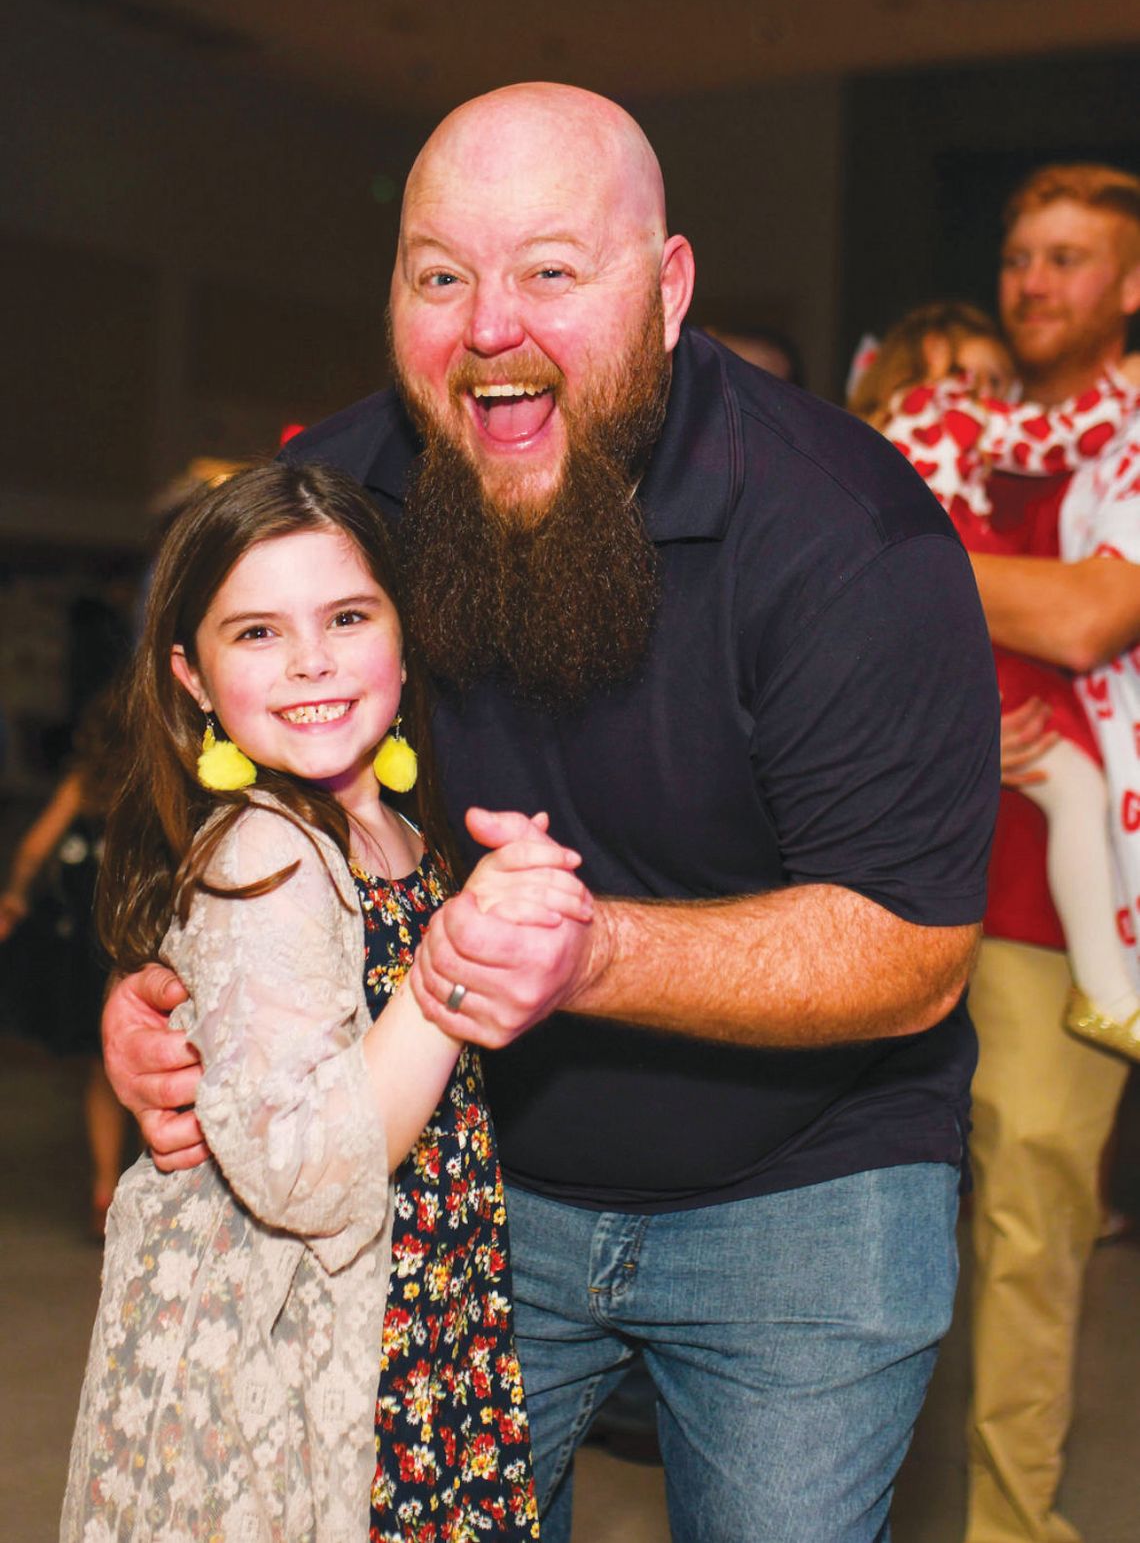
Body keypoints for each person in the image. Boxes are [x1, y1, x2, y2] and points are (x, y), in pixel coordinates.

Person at [103, 83, 1000, 1543]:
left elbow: (909, 948)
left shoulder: (849, 536)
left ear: (669, 286)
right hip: (461, 1171)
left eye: (550, 271)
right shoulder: (335, 502)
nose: (487, 325)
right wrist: (168, 989)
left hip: (808, 1189)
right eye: (440, 273)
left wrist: (584, 955)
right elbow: (212, 754)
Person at [63, 461, 594, 1541]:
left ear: (403, 634)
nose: (312, 660)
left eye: (347, 615)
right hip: (324, 1359)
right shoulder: (267, 852)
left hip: (420, 1336)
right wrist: (463, 957)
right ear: (191, 679)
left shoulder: (392, 831)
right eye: (255, 632)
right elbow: (305, 1170)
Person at [961, 163, 1140, 1543]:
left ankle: (1013, 1529)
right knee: (870, 1233)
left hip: (1055, 905)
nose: (1036, 280)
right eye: (1023, 254)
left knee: (1027, 1238)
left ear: (1129, 285)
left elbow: (1088, 617)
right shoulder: (952, 423)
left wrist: (892, 555)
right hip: (898, 869)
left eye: (1070, 257)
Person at [853, 299, 1140, 1053]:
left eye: (995, 380)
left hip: (917, 649)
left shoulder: (861, 446)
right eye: (964, 373)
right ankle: (1108, 990)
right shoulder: (944, 415)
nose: (981, 393)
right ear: (918, 375)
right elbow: (1058, 436)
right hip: (960, 631)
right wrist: (1125, 385)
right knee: (1079, 785)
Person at [0, 685, 130, 1235]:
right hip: (143, 941)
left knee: (103, 1071)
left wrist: (15, 893)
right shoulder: (159, 785)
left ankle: (105, 1190)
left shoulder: (86, 785)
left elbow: (35, 847)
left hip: (89, 946)